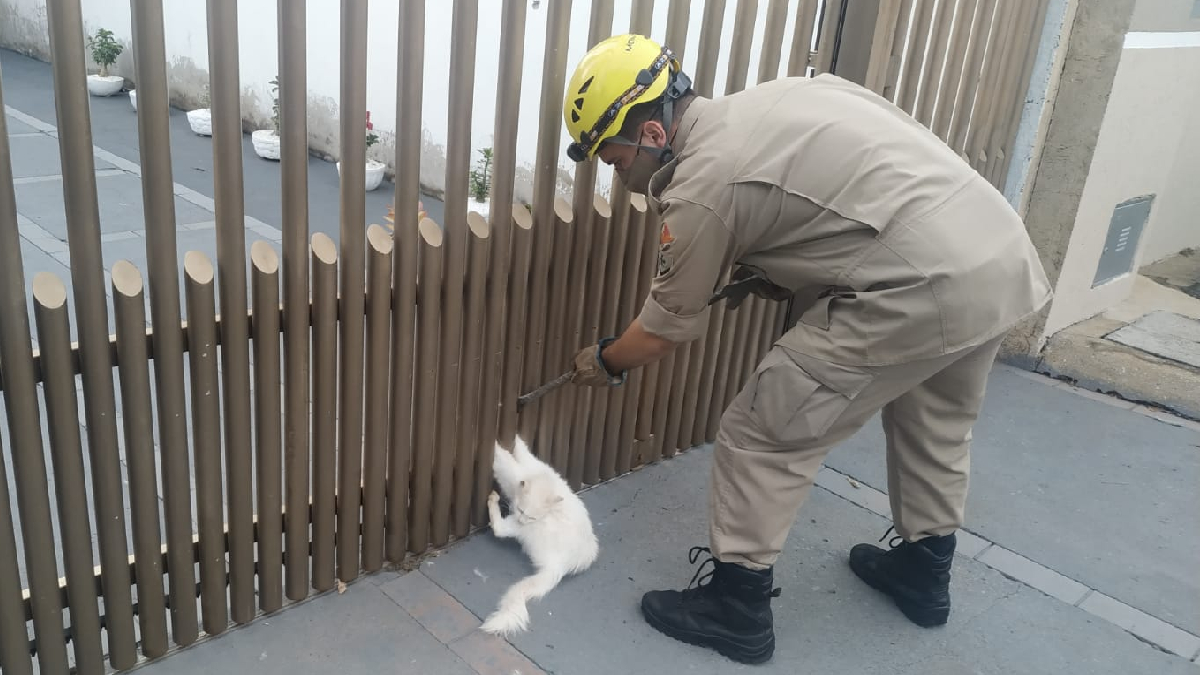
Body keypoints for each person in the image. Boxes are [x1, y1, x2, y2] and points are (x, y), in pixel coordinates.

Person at [561, 34, 1052, 664]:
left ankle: (736, 610)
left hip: (919, 284)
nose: (615, 172)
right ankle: (924, 574)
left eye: (611, 156)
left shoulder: (701, 186)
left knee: (763, 431)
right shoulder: (784, 95)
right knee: (936, 420)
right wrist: (774, 269)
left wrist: (605, 360)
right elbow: (848, 195)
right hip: (994, 256)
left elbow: (664, 329)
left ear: (652, 135)